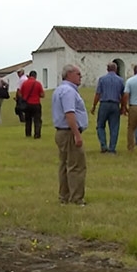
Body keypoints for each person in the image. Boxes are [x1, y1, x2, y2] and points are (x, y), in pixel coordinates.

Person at [51, 64, 88, 206]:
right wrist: (76, 134)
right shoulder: (68, 91)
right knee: (76, 166)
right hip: (68, 132)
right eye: (78, 74)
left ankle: (64, 196)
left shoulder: (60, 90)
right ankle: (76, 198)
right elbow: (69, 113)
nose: (81, 77)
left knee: (64, 165)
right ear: (69, 75)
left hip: (62, 131)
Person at [90, 62, 125, 154]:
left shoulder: (102, 79)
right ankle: (112, 148)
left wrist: (94, 106)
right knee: (114, 127)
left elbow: (98, 94)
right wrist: (123, 107)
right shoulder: (120, 80)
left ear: (107, 69)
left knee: (100, 125)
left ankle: (103, 145)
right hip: (115, 104)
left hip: (104, 103)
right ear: (116, 69)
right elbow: (123, 95)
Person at [19, 70, 45, 138]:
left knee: (28, 120)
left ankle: (28, 134)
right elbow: (42, 95)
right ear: (35, 76)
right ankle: (37, 134)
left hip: (27, 104)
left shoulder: (24, 83)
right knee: (37, 120)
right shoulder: (38, 83)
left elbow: (20, 94)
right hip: (36, 104)